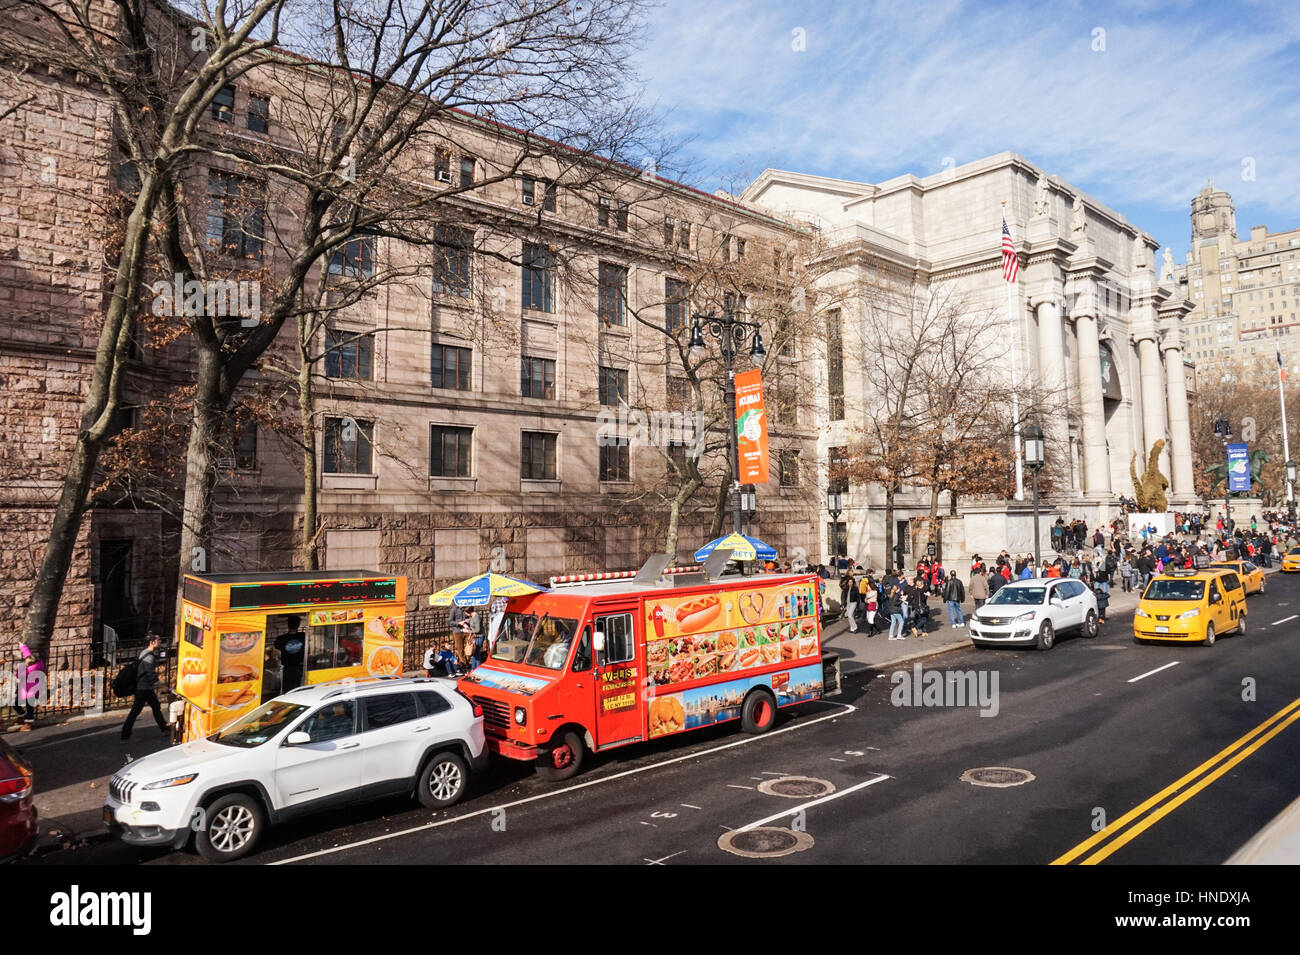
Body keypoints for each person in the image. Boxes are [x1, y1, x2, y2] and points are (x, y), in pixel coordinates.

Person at [121, 633, 168, 741]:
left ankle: (164, 728)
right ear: (152, 642)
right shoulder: (149, 657)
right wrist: (162, 686)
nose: (160, 642)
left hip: (146, 688)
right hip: (143, 689)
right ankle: (124, 735)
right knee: (135, 712)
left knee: (156, 707)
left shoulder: (144, 653)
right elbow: (150, 674)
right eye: (158, 640)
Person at [14, 643, 44, 731]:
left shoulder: (28, 671)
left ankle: (28, 724)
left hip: (31, 693)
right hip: (25, 690)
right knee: (15, 703)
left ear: (29, 665)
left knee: (29, 708)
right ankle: (23, 716)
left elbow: (18, 675)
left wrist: (20, 668)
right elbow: (27, 654)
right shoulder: (36, 664)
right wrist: (22, 646)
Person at [275, 616, 307, 691]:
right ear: (299, 625)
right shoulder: (303, 636)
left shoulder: (281, 639)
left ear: (288, 625)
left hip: (287, 667)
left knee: (287, 688)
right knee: (299, 688)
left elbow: (277, 647)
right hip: (300, 666)